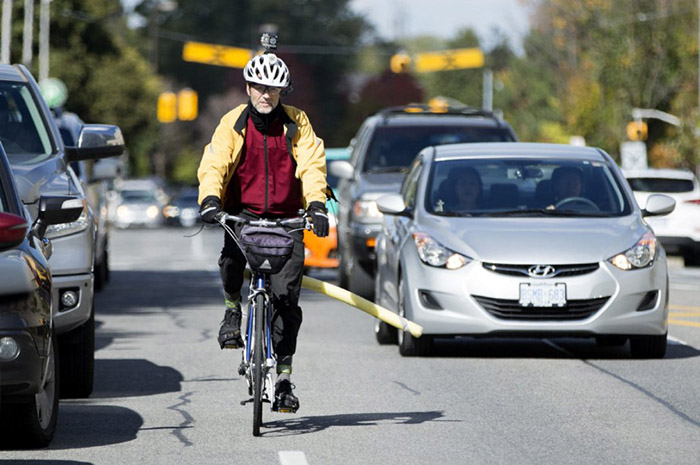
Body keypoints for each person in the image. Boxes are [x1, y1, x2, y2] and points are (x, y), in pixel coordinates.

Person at [197, 49, 330, 413]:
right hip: (243, 216)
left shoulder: (296, 123)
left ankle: (284, 380)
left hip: (287, 220)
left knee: (287, 301)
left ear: (282, 90)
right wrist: (210, 198)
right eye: (258, 87)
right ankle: (231, 310)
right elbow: (215, 162)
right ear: (248, 87)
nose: (265, 94)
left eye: (272, 88)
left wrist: (316, 205)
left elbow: (312, 164)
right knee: (229, 262)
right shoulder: (233, 122)